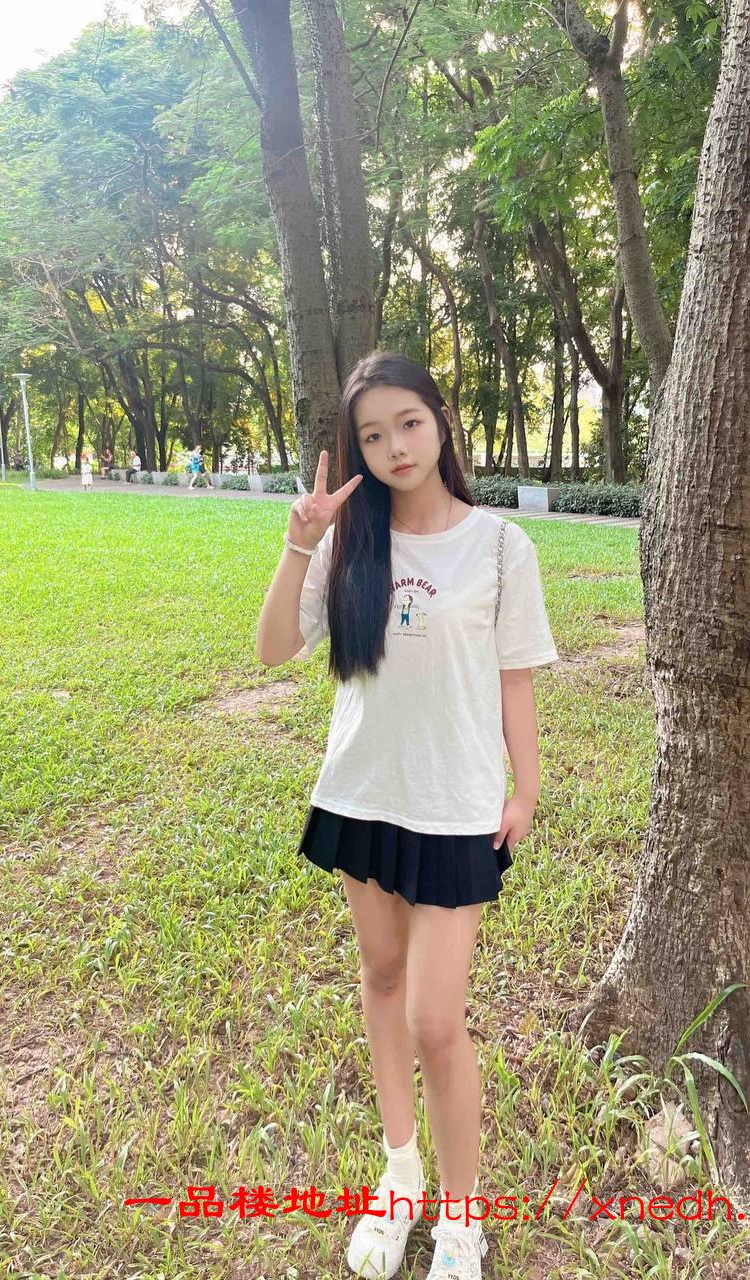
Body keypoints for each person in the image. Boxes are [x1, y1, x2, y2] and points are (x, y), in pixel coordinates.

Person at [256, 351, 557, 1280]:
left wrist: (525, 789)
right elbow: (271, 649)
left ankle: (462, 1216)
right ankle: (400, 1179)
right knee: (381, 979)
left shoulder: (500, 546)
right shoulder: (351, 543)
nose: (395, 446)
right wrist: (300, 542)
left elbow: (514, 680)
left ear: (440, 421)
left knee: (434, 1017)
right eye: (373, 435)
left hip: (456, 806)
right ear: (357, 448)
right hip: (363, 794)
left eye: (409, 423)